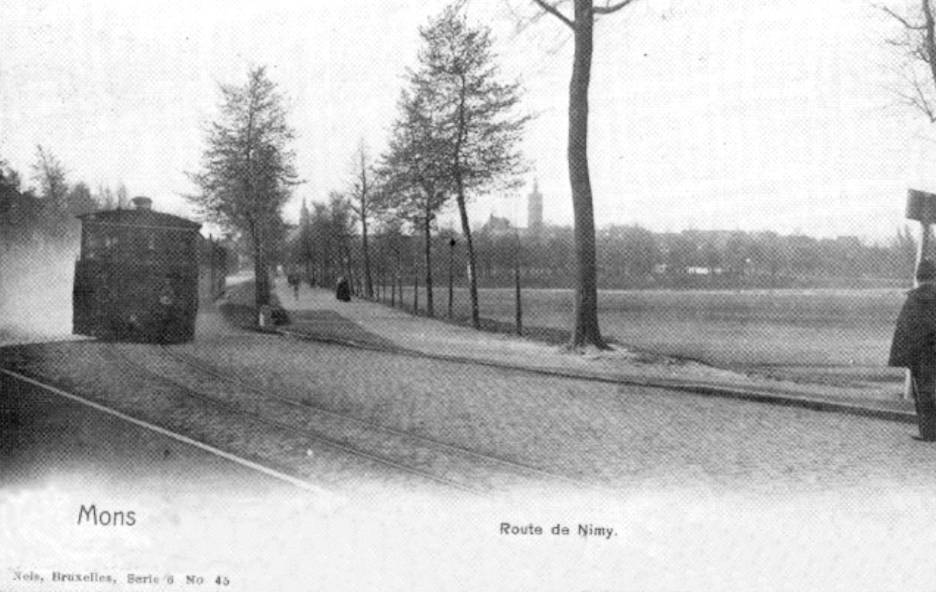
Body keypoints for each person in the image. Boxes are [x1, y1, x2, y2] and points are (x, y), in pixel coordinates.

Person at [890, 259, 936, 441]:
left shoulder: (914, 299)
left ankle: (928, 432)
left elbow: (904, 328)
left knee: (924, 393)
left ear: (918, 278)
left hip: (920, 356)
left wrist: (903, 357)